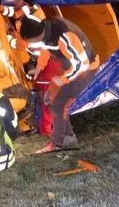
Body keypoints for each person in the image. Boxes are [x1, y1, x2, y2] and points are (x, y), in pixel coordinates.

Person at [20, 15, 99, 152]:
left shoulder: (64, 36)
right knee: (48, 99)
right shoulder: (45, 31)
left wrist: (63, 79)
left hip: (86, 68)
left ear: (38, 35)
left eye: (31, 42)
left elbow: (82, 64)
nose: (31, 46)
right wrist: (39, 68)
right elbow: (46, 48)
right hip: (71, 68)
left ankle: (59, 143)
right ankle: (68, 137)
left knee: (58, 102)